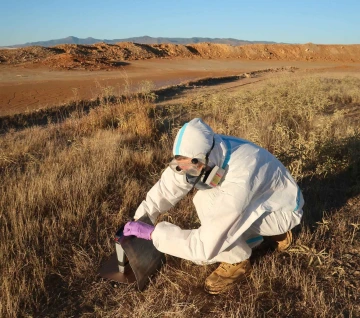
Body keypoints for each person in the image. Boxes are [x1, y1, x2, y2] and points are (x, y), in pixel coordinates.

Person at [123, 118, 304, 294]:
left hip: (282, 212)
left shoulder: (241, 175)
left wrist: (154, 234)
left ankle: (237, 260)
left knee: (205, 204)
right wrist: (143, 216)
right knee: (208, 200)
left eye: (192, 167)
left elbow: (203, 247)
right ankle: (263, 236)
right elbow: (168, 187)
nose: (187, 173)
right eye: (181, 165)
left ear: (206, 157)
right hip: (266, 199)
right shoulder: (212, 150)